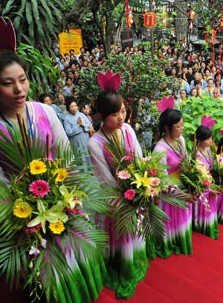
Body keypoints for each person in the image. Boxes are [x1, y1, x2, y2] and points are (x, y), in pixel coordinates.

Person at [88, 75, 148, 299]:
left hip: (135, 190)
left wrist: (144, 184)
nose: (121, 117)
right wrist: (127, 197)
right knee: (121, 235)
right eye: (114, 114)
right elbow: (105, 179)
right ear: (102, 116)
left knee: (136, 231)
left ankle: (136, 256)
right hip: (115, 198)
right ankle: (123, 265)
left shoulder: (128, 130)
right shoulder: (96, 143)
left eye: (123, 111)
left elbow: (141, 159)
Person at [0, 49, 69, 185]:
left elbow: (66, 158)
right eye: (7, 83)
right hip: (17, 205)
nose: (19, 89)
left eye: (22, 80)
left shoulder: (45, 112)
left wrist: (72, 200)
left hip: (62, 197)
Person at [153, 105, 193, 257]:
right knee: (170, 221)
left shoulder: (180, 140)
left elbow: (186, 161)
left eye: (182, 125)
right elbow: (162, 180)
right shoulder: (160, 149)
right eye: (178, 126)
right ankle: (169, 243)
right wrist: (180, 194)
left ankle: (180, 239)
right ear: (167, 128)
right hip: (170, 192)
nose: (182, 129)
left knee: (182, 218)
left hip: (182, 185)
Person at [193, 119, 219, 239]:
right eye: (208, 139)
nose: (210, 141)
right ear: (200, 140)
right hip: (203, 185)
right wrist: (209, 187)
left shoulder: (207, 151)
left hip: (209, 182)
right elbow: (199, 175)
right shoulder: (196, 155)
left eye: (211, 139)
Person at [63, 97, 92, 171]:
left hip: (85, 139)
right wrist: (78, 125)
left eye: (75, 106)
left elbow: (89, 126)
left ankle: (90, 170)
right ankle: (82, 172)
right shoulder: (66, 118)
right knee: (80, 156)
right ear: (68, 108)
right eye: (72, 106)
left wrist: (82, 125)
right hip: (76, 142)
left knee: (88, 154)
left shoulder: (81, 115)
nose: (74, 108)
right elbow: (68, 132)